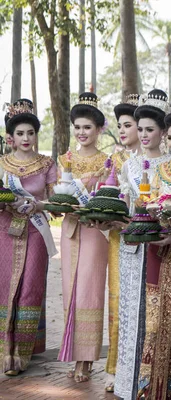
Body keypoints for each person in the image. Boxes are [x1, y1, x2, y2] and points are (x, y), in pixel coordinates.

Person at [114, 89, 171, 400]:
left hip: (162, 245)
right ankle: (127, 383)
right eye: (142, 129)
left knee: (155, 315)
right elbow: (126, 205)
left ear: (163, 132)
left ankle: (152, 384)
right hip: (132, 245)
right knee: (131, 312)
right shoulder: (128, 166)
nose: (145, 135)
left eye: (152, 129)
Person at [137, 94, 171, 400]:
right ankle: (152, 384)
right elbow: (150, 206)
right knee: (156, 316)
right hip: (158, 248)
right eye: (169, 137)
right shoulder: (160, 170)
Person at [0, 99, 57, 376]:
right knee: (5, 287)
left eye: (30, 133)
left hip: (35, 229)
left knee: (30, 288)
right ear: (12, 136)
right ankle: (4, 352)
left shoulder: (47, 163)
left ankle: (21, 354)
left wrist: (39, 206)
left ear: (36, 135)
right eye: (20, 133)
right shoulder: (2, 164)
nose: (26, 138)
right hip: (4, 229)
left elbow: (57, 201)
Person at [57, 92, 110, 383]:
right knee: (69, 289)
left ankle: (87, 359)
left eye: (87, 127)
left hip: (95, 230)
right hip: (70, 229)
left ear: (99, 129)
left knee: (89, 290)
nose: (82, 132)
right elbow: (59, 194)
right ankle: (72, 351)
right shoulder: (65, 158)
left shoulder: (108, 162)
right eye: (78, 127)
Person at [104, 93, 142, 392]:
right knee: (118, 301)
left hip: (148, 238)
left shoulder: (162, 163)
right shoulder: (119, 162)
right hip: (121, 238)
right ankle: (116, 368)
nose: (125, 131)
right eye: (121, 125)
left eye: (128, 125)